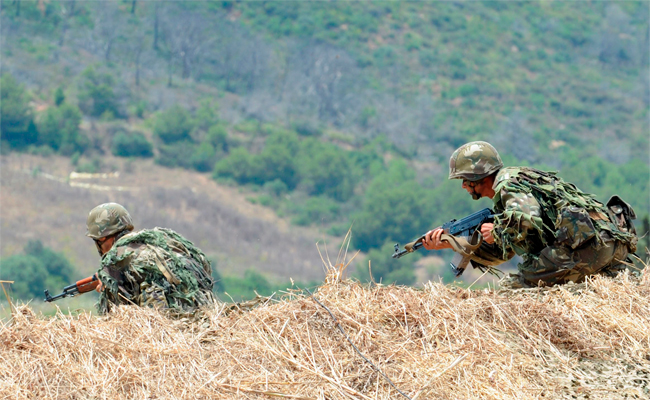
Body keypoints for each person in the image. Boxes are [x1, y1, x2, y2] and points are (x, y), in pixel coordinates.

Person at [422, 141, 638, 288]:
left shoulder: (507, 184)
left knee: (513, 291)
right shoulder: (518, 181)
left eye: (464, 179)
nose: (463, 186)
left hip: (588, 247)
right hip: (611, 242)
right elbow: (503, 254)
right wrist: (453, 243)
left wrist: (497, 231)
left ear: (477, 175)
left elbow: (527, 219)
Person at [86, 202, 215, 313]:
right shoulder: (157, 241)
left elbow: (115, 315)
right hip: (203, 310)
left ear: (102, 238)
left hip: (164, 323)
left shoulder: (114, 258)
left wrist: (106, 288)